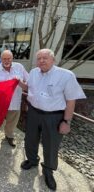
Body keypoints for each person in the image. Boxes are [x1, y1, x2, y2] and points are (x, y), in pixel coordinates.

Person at [20, 49, 86, 191]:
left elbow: (71, 100)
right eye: (39, 58)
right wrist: (17, 83)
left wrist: (66, 121)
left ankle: (48, 171)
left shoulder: (66, 75)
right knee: (30, 139)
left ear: (53, 60)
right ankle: (32, 160)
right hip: (33, 113)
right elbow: (28, 88)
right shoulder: (33, 73)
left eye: (45, 58)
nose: (42, 61)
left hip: (53, 116)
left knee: (51, 145)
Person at [0, 50, 29, 147]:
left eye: (9, 58)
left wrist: (21, 83)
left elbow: (29, 81)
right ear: (1, 59)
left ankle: (9, 136)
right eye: (4, 59)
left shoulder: (19, 67)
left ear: (12, 58)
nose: (6, 61)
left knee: (12, 120)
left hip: (15, 100)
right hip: (0, 102)